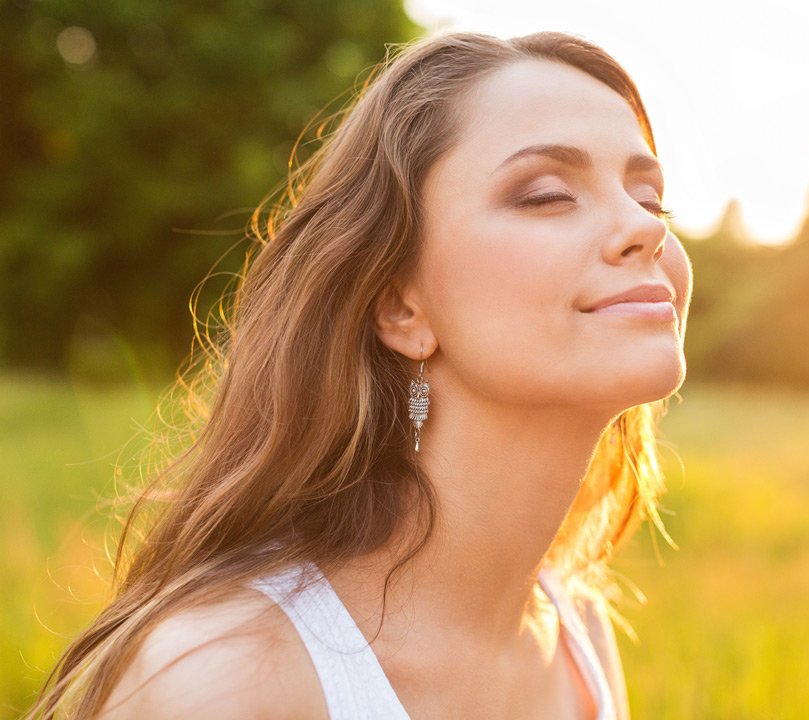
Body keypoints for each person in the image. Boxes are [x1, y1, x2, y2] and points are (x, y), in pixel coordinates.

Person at [30, 30, 692, 719]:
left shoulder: (578, 634)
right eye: (548, 195)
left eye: (649, 198)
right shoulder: (228, 678)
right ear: (400, 306)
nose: (643, 229)